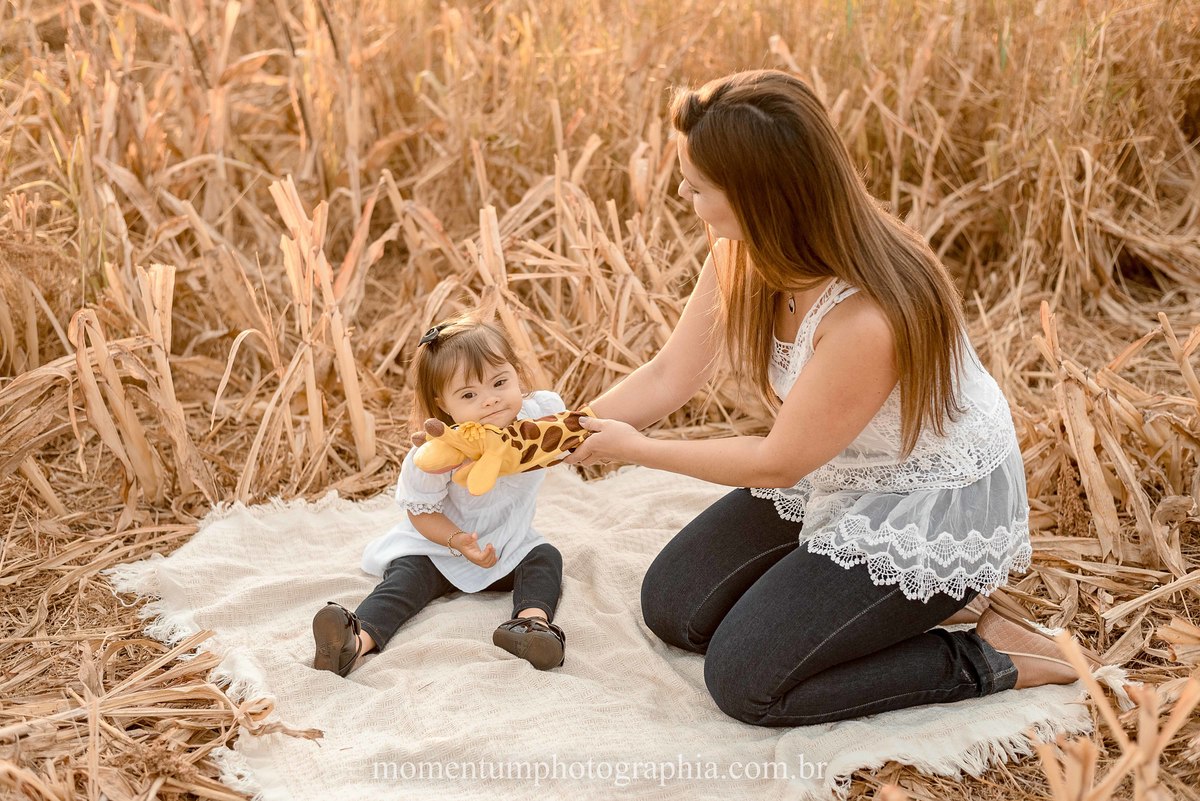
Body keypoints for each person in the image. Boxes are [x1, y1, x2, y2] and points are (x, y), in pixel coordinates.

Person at [563, 69, 1094, 726]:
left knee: (745, 680)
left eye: (698, 188)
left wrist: (639, 449)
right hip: (837, 464)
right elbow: (672, 373)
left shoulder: (864, 319)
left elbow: (778, 462)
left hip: (922, 504)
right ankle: (871, 609)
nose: (680, 192)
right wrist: (552, 433)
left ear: (762, 197)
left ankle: (986, 654)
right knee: (674, 607)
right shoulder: (746, 250)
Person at [312, 313, 568, 675]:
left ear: (516, 371)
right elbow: (421, 510)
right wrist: (457, 539)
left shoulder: (539, 416)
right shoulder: (438, 452)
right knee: (405, 583)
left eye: (499, 382)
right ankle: (354, 644)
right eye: (469, 394)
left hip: (506, 546)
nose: (490, 401)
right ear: (444, 403)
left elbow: (570, 437)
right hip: (440, 548)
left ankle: (531, 625)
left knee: (545, 558)